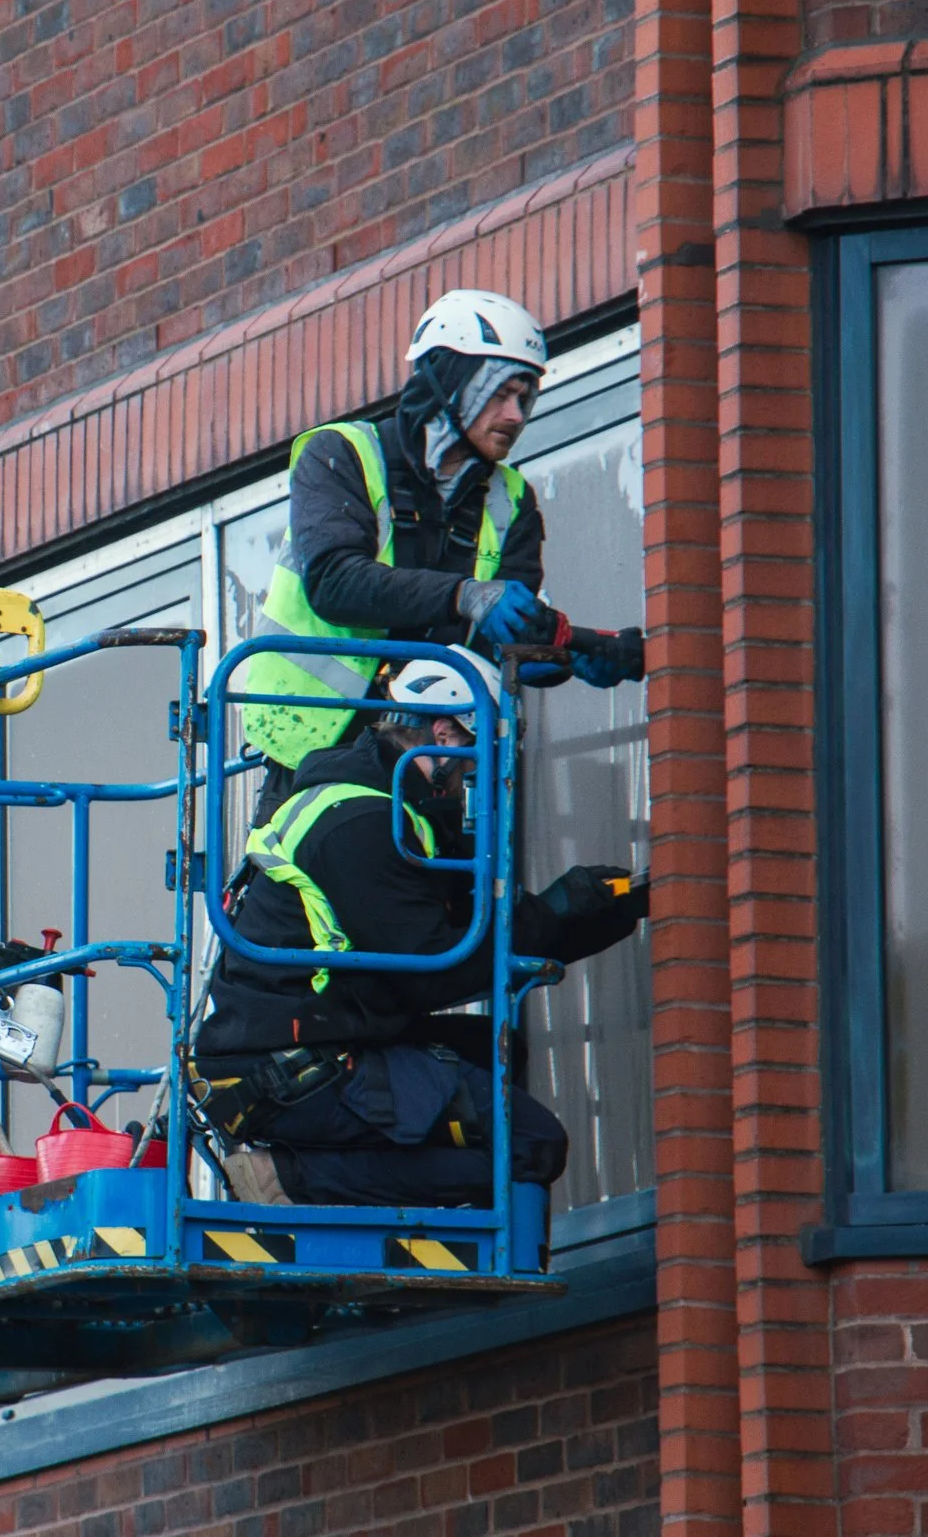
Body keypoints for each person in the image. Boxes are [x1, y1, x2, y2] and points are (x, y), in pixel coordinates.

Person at [193, 652, 645, 1207]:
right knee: (533, 1146)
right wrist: (553, 907)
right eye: (473, 763)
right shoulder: (357, 822)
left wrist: (608, 913)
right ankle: (292, 1179)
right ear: (444, 734)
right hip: (291, 1065)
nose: (470, 784)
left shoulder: (397, 811)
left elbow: (482, 940)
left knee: (491, 1050)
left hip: (313, 1035)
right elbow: (431, 970)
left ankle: (344, 1183)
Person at [236, 289, 643, 820]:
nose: (516, 415)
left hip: (437, 764)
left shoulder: (511, 500)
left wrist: (561, 656)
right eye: (500, 392)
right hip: (315, 752)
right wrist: (465, 595)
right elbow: (335, 582)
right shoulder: (342, 454)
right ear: (449, 379)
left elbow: (499, 634)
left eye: (527, 397)